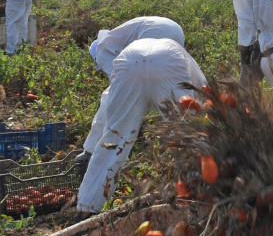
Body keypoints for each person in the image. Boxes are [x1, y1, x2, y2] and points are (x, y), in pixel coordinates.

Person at [75, 37, 207, 215]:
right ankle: (197, 198)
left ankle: (87, 207)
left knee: (113, 140)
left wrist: (91, 146)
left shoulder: (133, 49)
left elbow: (107, 108)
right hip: (168, 63)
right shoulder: (189, 66)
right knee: (186, 138)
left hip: (129, 63)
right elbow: (202, 97)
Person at [75, 17, 189, 165]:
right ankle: (187, 144)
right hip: (176, 29)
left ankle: (90, 151)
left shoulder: (102, 52)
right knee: (169, 87)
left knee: (109, 98)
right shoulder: (117, 39)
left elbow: (119, 86)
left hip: (154, 32)